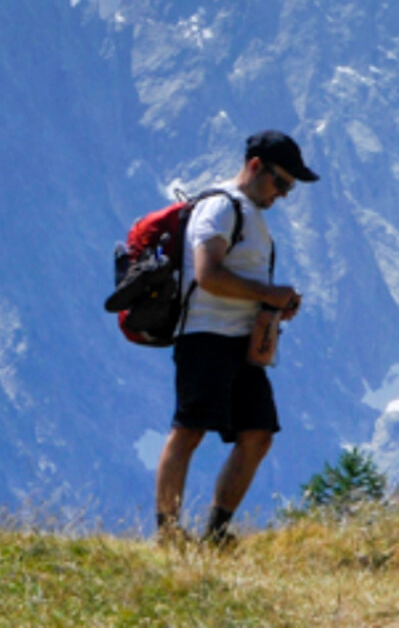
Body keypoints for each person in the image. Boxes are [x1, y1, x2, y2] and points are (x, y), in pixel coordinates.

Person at [153, 130, 317, 544]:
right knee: (188, 430)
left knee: (258, 434)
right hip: (206, 336)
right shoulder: (220, 207)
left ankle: (217, 532)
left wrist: (276, 303)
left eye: (290, 188)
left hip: (242, 341)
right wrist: (268, 293)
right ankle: (168, 533)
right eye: (280, 182)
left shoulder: (249, 215)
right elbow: (208, 275)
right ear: (255, 165)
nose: (282, 194)